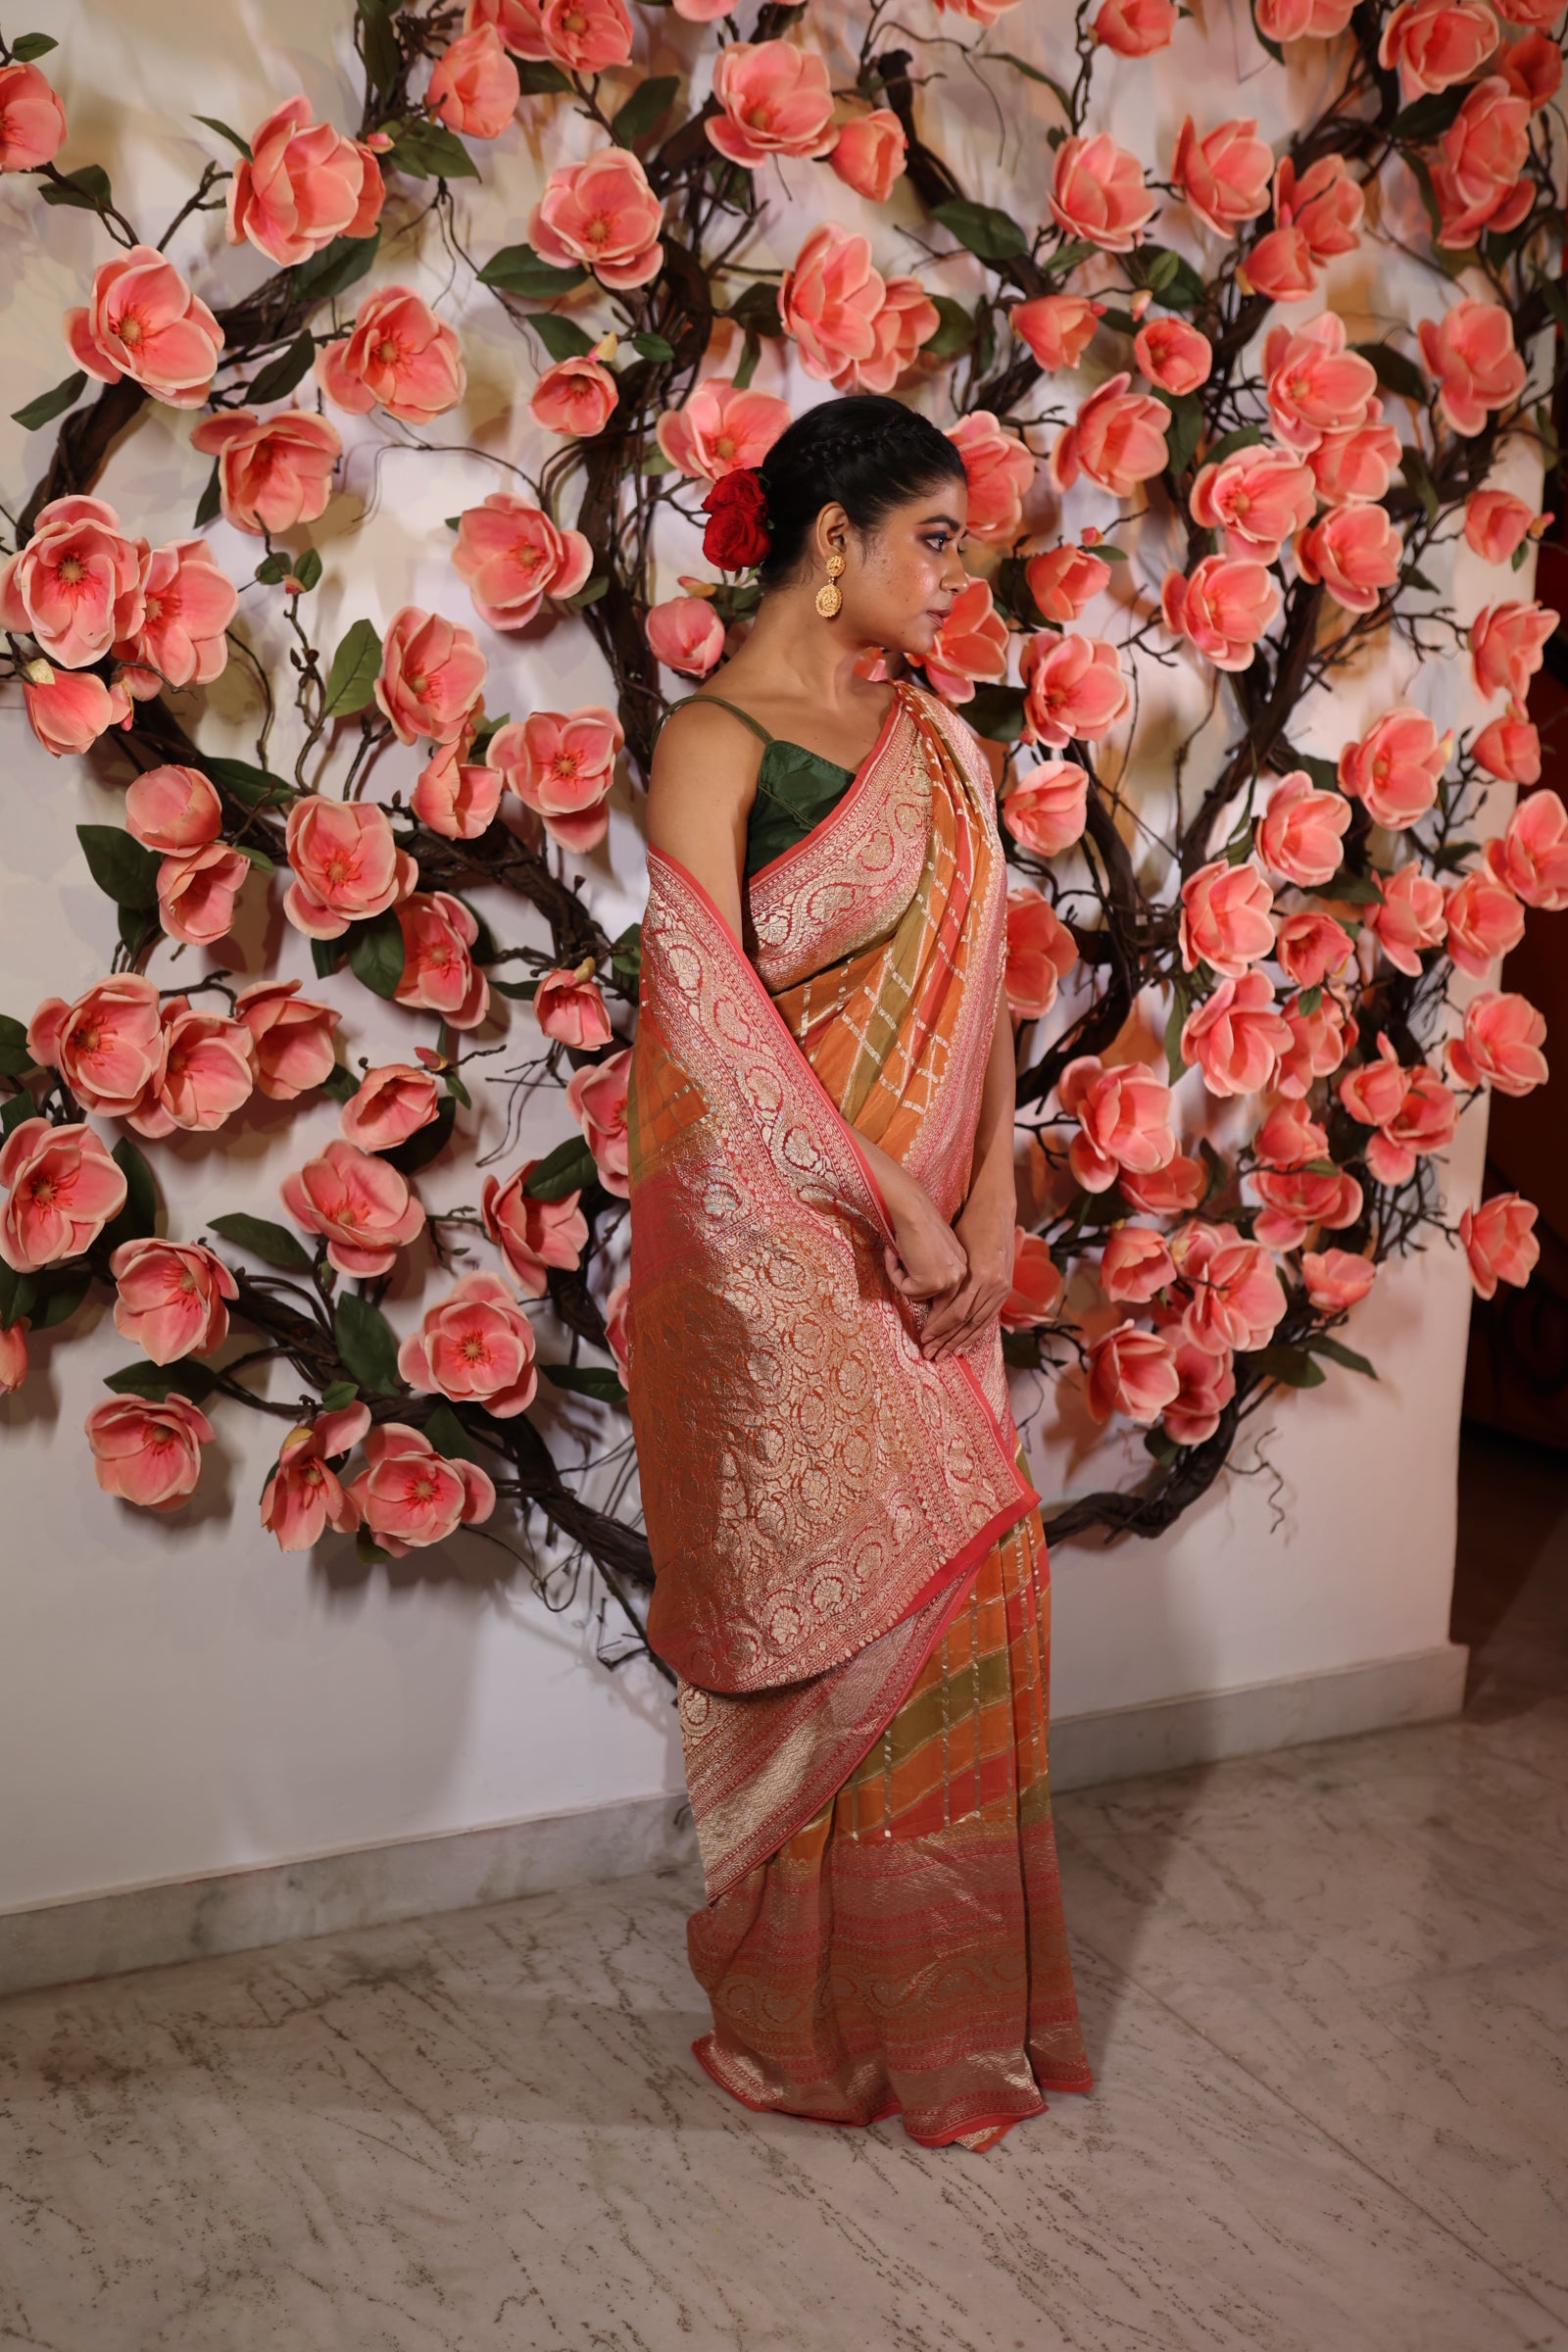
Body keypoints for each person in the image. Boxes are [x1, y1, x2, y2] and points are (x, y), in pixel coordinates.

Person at [626, 392, 1091, 2154]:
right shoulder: (716, 742)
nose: (956, 580)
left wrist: (990, 1202)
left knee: (977, 1580)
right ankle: (806, 2026)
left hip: (931, 1243)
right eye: (935, 543)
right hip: (779, 1260)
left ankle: (941, 2017)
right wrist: (882, 1199)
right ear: (836, 544)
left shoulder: (945, 753)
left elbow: (986, 1004)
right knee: (836, 1634)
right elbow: (717, 1034)